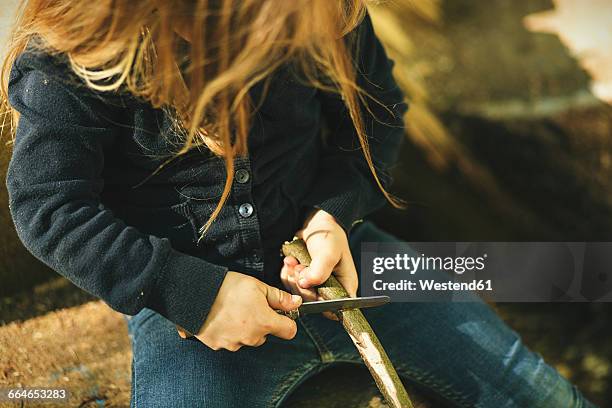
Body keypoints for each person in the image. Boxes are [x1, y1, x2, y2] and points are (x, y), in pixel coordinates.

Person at [1, 1, 595, 407]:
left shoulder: (324, 10)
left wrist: (333, 213)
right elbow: (49, 206)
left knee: (536, 389)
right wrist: (189, 294)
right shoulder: (75, 59)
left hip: (348, 258)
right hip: (193, 308)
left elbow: (377, 110)